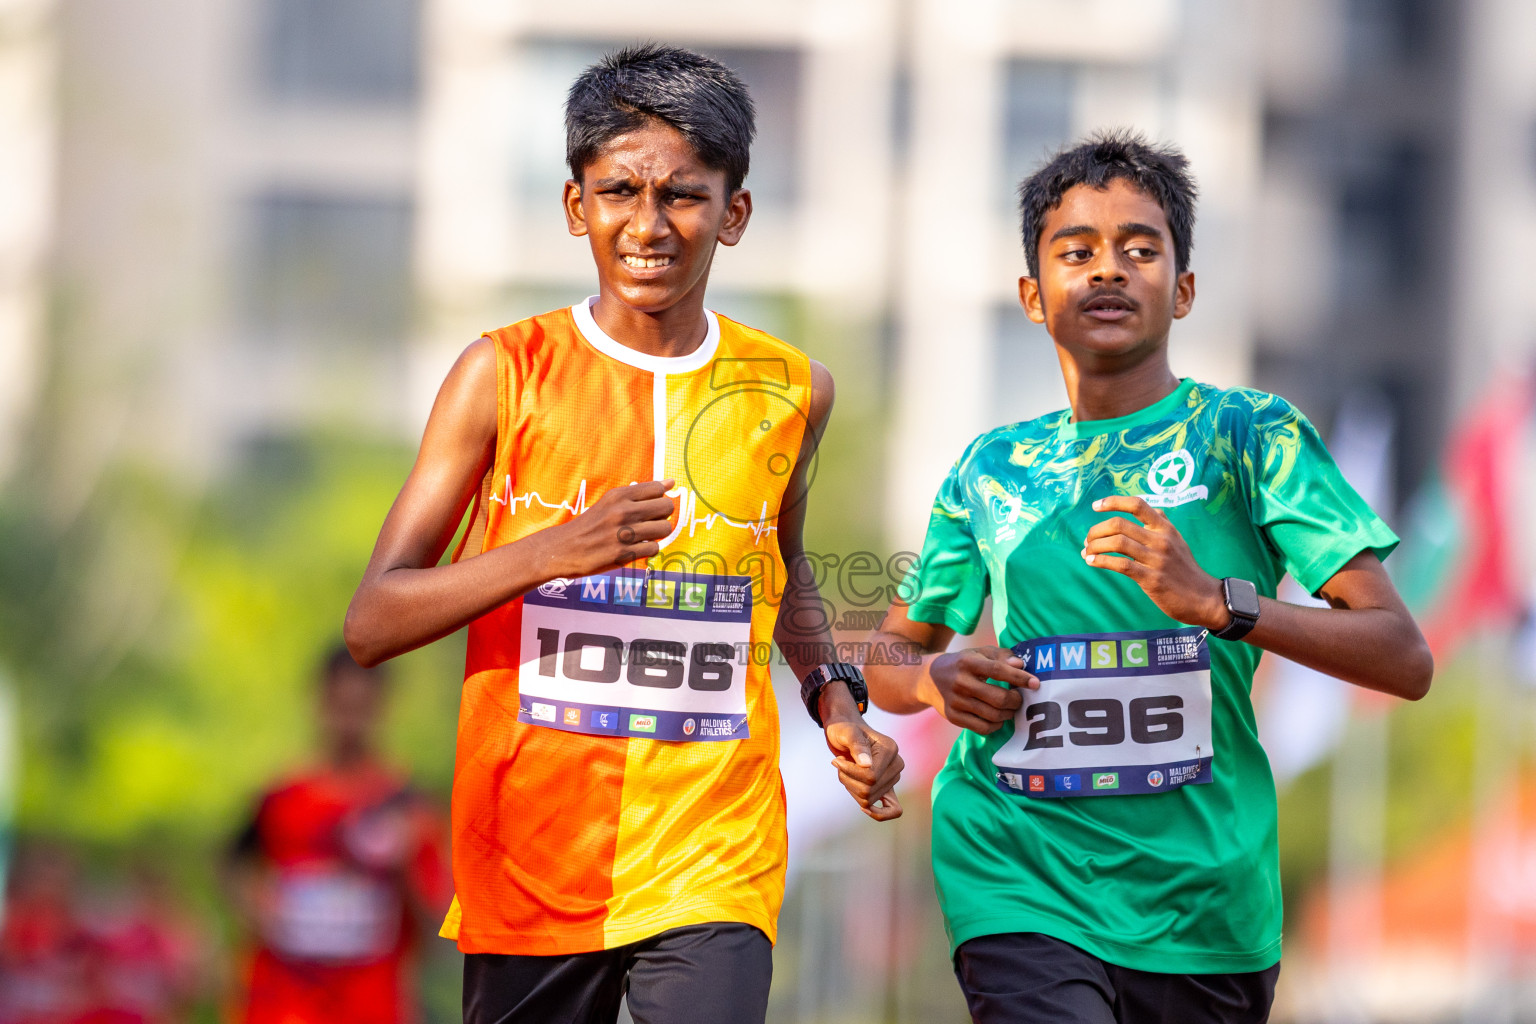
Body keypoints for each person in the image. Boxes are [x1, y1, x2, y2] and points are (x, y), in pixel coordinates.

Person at [343, 44, 903, 1024]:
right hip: (533, 855)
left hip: (712, 847)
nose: (648, 225)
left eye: (683, 195)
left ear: (734, 212)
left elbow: (781, 564)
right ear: (575, 206)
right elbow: (373, 620)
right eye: (618, 192)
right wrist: (550, 551)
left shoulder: (789, 390)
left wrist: (833, 695)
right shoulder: (502, 374)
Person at [864, 131, 1434, 1024]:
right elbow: (893, 653)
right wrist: (933, 682)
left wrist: (1219, 604)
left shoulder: (1253, 435)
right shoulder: (989, 466)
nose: (1108, 271)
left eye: (1140, 249)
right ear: (1031, 294)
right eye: (1076, 251)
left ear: (1186, 287)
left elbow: (1403, 656)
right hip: (1020, 872)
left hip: (1205, 904)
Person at [224, 647, 451, 1024]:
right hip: (285, 1005)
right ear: (319, 701)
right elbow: (232, 865)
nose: (349, 721)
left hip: (371, 1005)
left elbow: (437, 932)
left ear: (382, 707)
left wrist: (403, 866)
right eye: (340, 705)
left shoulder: (408, 806)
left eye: (361, 707)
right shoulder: (282, 797)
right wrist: (257, 908)